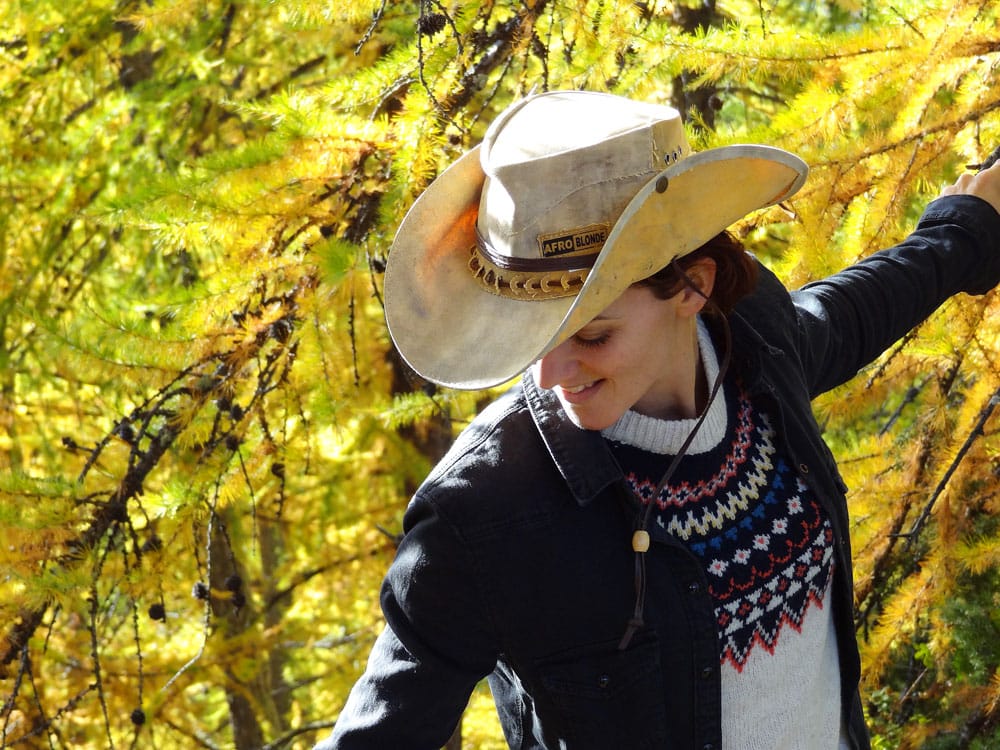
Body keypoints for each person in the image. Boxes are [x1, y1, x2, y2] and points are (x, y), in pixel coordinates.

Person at [316, 90, 1000, 749]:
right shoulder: (484, 513)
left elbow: (845, 317)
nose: (550, 376)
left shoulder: (754, 344)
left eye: (591, 336)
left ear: (693, 287)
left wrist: (963, 230)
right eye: (531, 342)